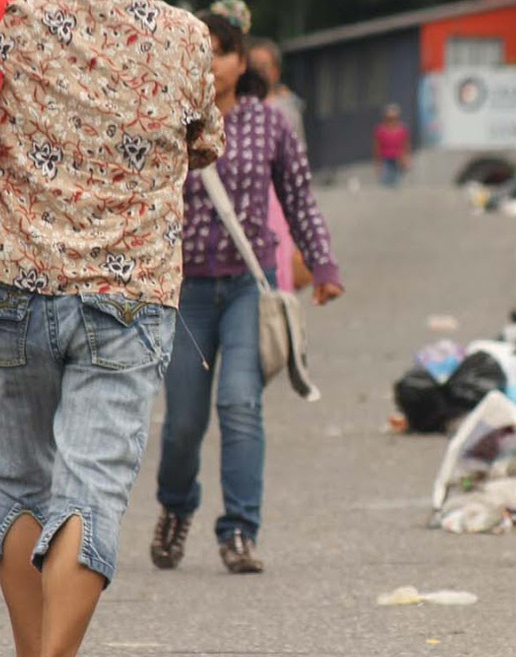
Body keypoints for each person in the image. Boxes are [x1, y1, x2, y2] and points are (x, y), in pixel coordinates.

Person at [0, 0, 224, 657]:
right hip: (127, 292)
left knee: (19, 477)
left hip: (6, 280)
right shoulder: (185, 35)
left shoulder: (5, 12)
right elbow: (203, 142)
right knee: (92, 485)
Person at [152, 4, 343, 576]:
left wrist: (324, 264)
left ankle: (238, 530)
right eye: (199, 51)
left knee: (240, 403)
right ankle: (176, 507)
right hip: (183, 291)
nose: (209, 63)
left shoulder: (269, 122)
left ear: (241, 60)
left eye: (220, 51)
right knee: (184, 422)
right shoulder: (164, 116)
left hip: (246, 289)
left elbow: (299, 197)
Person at [247, 36, 311, 292]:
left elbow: (299, 159)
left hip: (277, 197)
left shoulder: (286, 109)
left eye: (265, 67)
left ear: (275, 71)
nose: (259, 73)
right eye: (254, 66)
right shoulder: (234, 109)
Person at [374, 103, 410, 188]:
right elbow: (377, 146)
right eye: (389, 118)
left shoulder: (402, 129)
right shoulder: (381, 130)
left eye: (394, 118)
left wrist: (406, 158)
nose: (392, 120)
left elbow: (406, 144)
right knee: (385, 182)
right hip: (386, 159)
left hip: (398, 159)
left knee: (397, 183)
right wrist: (378, 163)